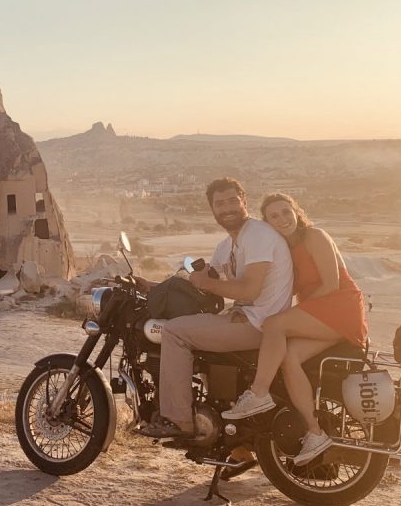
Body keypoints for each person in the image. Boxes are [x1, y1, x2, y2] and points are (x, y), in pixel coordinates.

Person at [136, 177, 294, 438]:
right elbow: (201, 282)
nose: (227, 208)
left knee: (174, 332)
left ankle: (177, 420)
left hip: (260, 323)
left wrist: (208, 283)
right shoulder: (227, 245)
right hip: (246, 317)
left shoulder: (258, 234)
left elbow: (249, 290)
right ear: (213, 210)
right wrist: (153, 286)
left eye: (233, 200)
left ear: (244, 201)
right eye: (220, 203)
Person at [221, 193, 368, 466]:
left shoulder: (314, 236)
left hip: (340, 306)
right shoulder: (282, 250)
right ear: (268, 223)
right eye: (274, 216)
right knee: (289, 357)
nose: (282, 219)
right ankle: (314, 431)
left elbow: (332, 284)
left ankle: (259, 392)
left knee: (274, 325)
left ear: (296, 212)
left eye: (286, 212)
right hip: (319, 314)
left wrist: (293, 317)